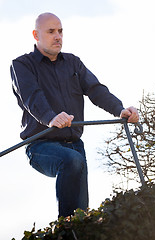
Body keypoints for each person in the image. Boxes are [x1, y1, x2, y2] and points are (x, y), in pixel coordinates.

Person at [10, 12, 139, 218]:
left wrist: (119, 109)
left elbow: (96, 89)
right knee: (71, 161)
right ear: (36, 35)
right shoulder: (21, 65)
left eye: (60, 31)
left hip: (76, 145)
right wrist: (51, 117)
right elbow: (31, 96)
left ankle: (74, 229)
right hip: (40, 145)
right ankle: (64, 229)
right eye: (51, 31)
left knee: (81, 214)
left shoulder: (73, 63)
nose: (58, 36)